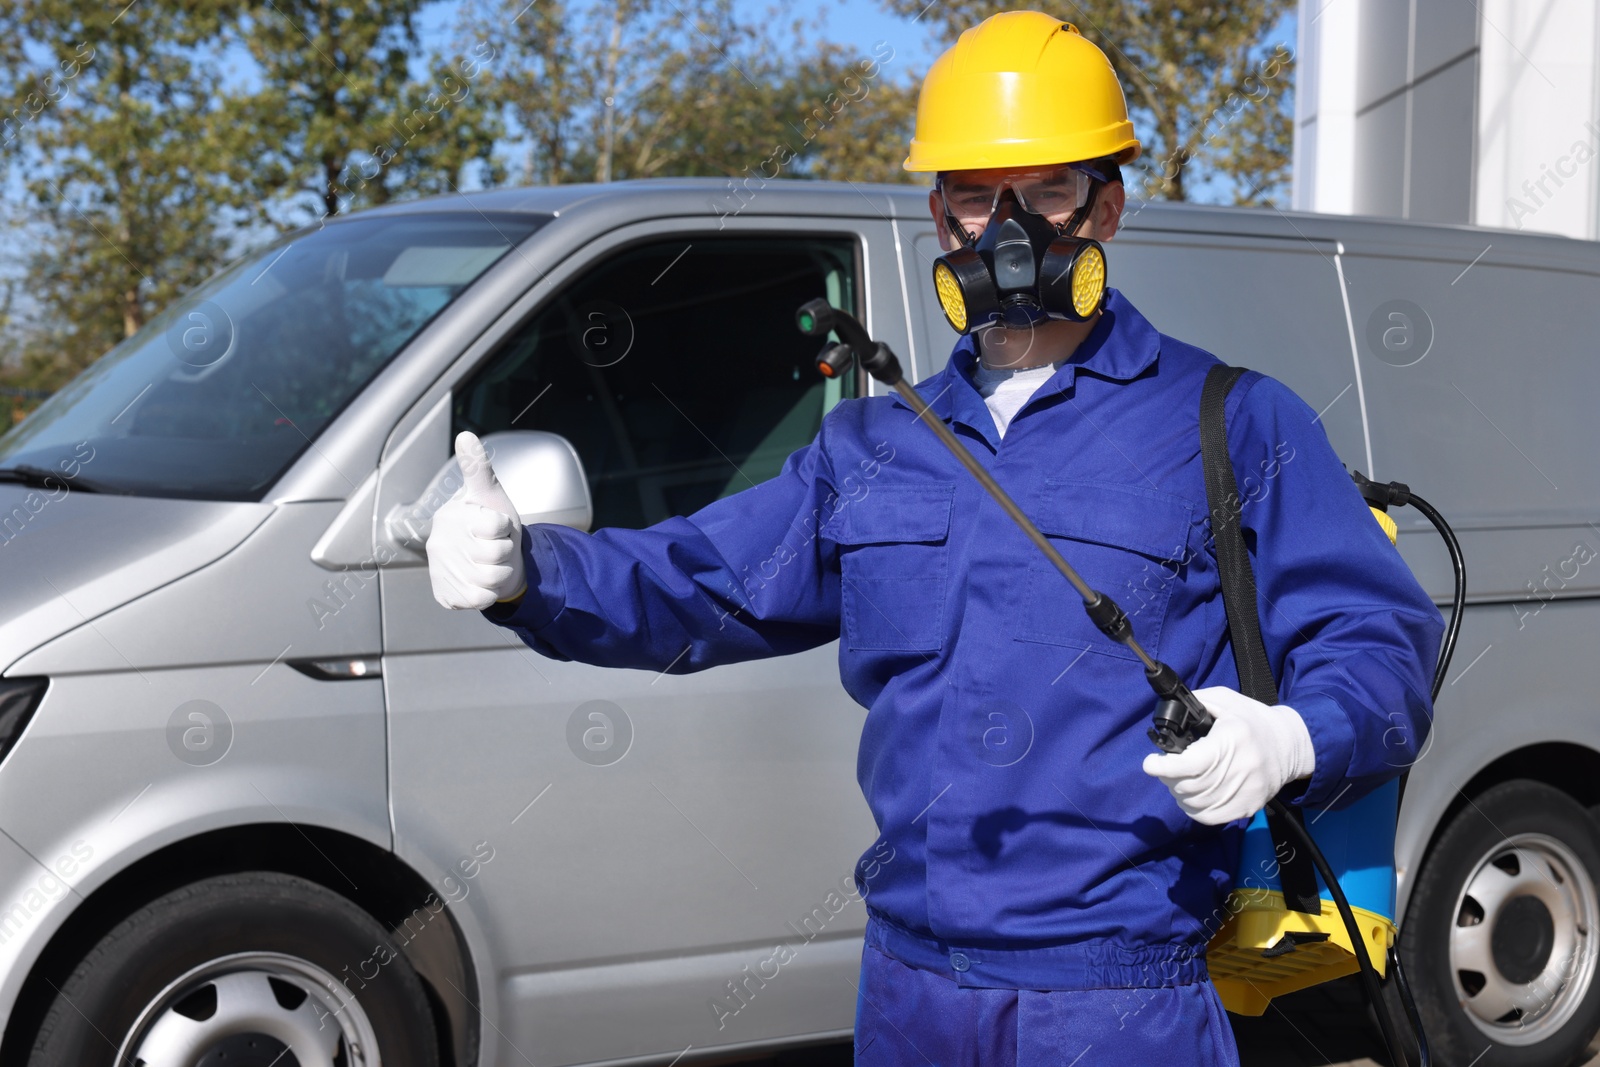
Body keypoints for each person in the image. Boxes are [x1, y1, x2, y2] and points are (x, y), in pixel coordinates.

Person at [425, 11, 1443, 1065]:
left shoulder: (1228, 419)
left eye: (1048, 191)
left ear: (1109, 205)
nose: (1010, 231)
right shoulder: (874, 442)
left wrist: (1289, 737)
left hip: (1115, 998)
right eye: (974, 195)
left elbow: (1379, 641)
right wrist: (528, 570)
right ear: (939, 214)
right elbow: (702, 580)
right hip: (911, 992)